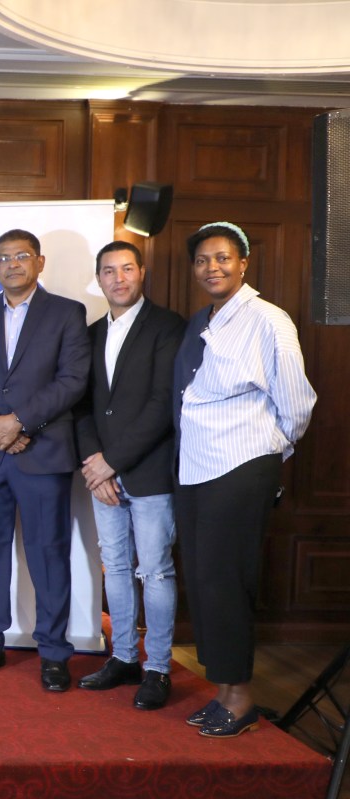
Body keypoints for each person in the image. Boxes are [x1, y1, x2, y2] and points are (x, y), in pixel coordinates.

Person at [174, 222, 315, 738]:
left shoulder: (268, 318)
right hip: (196, 466)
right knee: (205, 581)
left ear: (244, 263)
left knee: (227, 582)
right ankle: (223, 690)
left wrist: (267, 451)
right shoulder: (202, 320)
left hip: (241, 464)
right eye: (202, 260)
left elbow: (296, 401)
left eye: (223, 258)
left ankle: (242, 699)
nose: (212, 267)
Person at [0, 229, 89, 692]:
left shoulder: (67, 312)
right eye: (3, 258)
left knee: (49, 554)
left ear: (39, 262)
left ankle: (53, 653)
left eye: (21, 256)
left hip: (42, 453)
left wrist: (21, 422)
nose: (11, 264)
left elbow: (73, 380)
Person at [73, 241, 185, 710]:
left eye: (126, 269)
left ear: (141, 273)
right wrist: (94, 464)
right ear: (98, 278)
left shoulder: (168, 326)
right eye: (108, 271)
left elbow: (163, 404)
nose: (118, 278)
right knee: (115, 567)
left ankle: (157, 667)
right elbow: (81, 406)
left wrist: (111, 462)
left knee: (155, 570)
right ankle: (123, 657)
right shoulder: (91, 333)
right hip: (102, 477)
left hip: (150, 473)